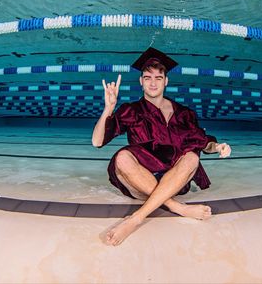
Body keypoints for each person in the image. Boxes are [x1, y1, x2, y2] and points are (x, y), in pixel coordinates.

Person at [92, 47, 231, 246]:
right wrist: (109, 108)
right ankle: (179, 208)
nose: (153, 82)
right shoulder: (131, 110)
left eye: (158, 77)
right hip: (141, 181)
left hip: (174, 179)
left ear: (166, 81)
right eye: (147, 77)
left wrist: (217, 147)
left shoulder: (184, 113)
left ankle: (135, 218)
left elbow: (202, 142)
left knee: (192, 156)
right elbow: (97, 141)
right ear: (141, 81)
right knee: (122, 157)